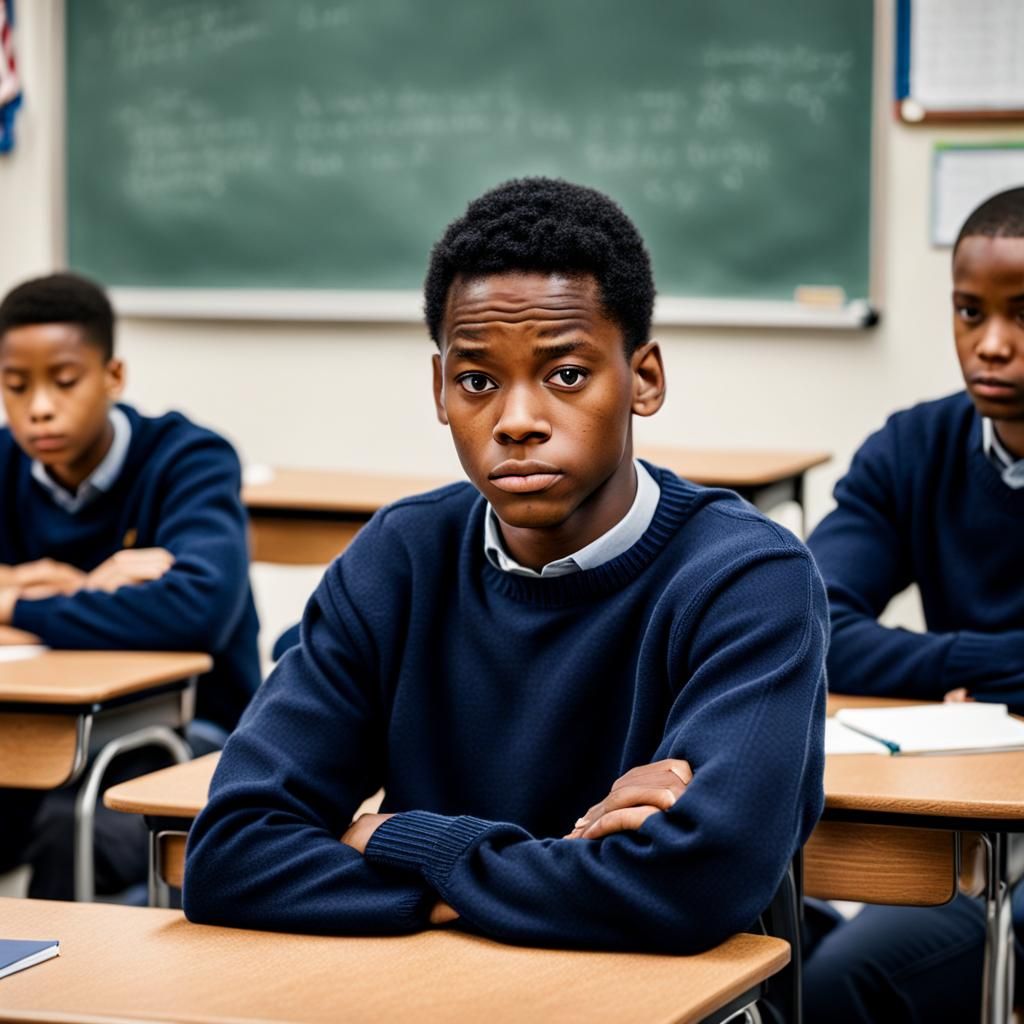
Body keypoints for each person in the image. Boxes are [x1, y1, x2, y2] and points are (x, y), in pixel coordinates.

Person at [184, 177, 827, 957]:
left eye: (566, 375)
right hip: (427, 999)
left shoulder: (748, 578)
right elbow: (229, 858)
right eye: (478, 381)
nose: (517, 422)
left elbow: (695, 882)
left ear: (645, 379)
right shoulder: (397, 560)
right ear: (440, 391)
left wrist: (400, 839)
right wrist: (568, 863)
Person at [803, 187, 1024, 1023]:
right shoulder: (914, 447)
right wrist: (990, 663)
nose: (991, 345)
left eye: (1022, 314)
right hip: (963, 810)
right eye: (970, 312)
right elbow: (815, 624)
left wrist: (933, 667)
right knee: (777, 947)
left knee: (839, 982)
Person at [0, 271, 260, 900]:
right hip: (33, 728)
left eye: (64, 382)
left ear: (113, 377)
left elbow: (196, 610)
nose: (39, 407)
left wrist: (17, 598)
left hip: (188, 729)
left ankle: (52, 992)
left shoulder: (187, 460)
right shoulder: (4, 462)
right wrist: (99, 590)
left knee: (73, 830)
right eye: (15, 386)